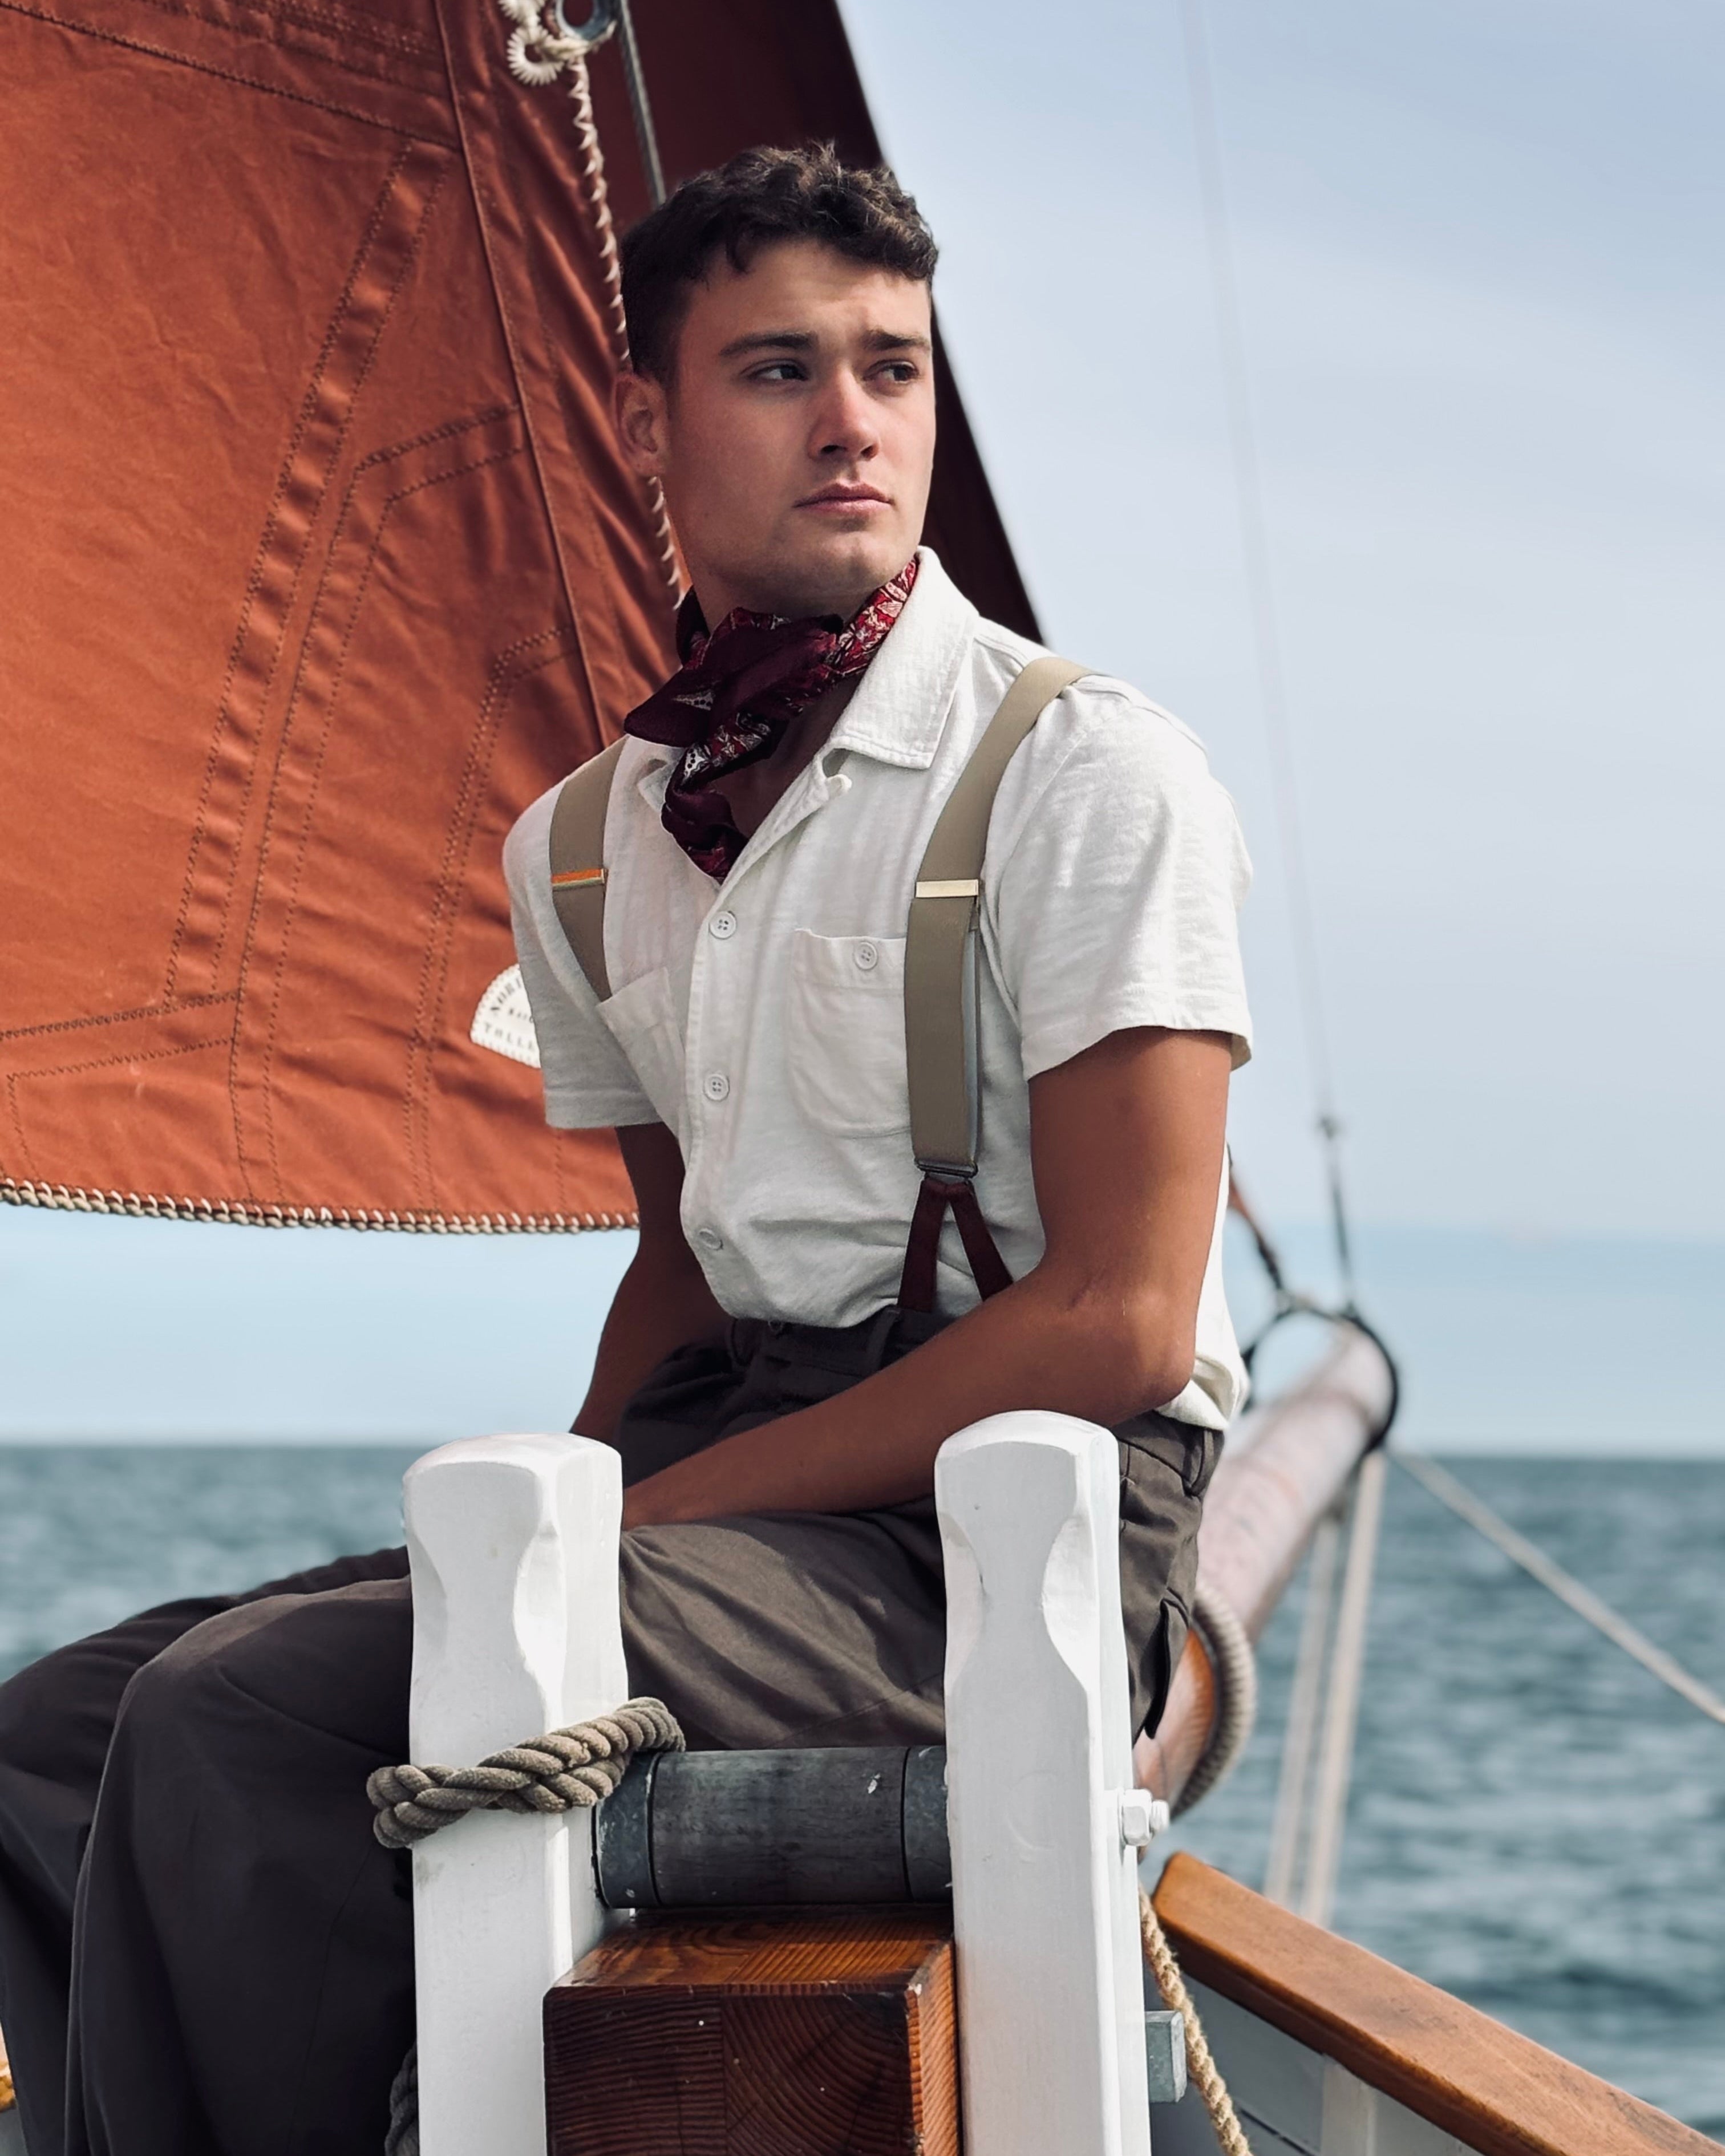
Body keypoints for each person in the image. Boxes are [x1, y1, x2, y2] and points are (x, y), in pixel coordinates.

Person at [0, 144, 1251, 2156]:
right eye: (777, 371)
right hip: (737, 1453)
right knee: (57, 1726)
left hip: (1008, 1530)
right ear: (650, 425)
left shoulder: (1082, 770)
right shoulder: (585, 843)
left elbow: (1118, 1319)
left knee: (234, 1718)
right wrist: (555, 1512)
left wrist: (635, 1535)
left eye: (893, 369)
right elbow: (683, 1267)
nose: (855, 421)